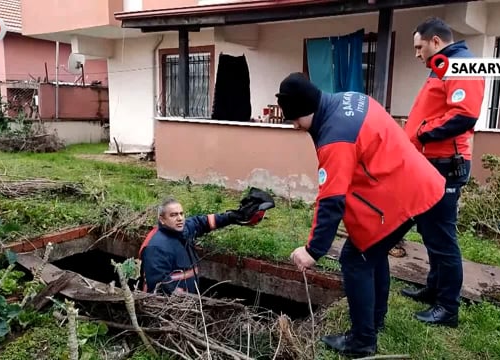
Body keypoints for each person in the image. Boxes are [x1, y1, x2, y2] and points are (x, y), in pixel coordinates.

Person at [278, 72, 446, 357]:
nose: (295, 126)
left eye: (294, 119)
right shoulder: (350, 99)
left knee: (354, 260)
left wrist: (313, 250)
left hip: (402, 196)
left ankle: (362, 340)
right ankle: (374, 320)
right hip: (409, 183)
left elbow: (331, 200)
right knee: (371, 253)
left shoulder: (335, 138)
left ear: (306, 109)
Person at [401, 17, 485, 327]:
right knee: (430, 230)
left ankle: (448, 307)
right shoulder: (443, 65)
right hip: (431, 164)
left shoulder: (462, 65)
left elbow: (464, 116)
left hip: (446, 166)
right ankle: (435, 288)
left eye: (418, 47)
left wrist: (421, 133)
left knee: (442, 237)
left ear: (435, 42)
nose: (416, 54)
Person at [138, 188, 275, 295]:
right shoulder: (156, 246)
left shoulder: (182, 229)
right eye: (173, 215)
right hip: (167, 310)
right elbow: (159, 285)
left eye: (181, 214)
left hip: (187, 302)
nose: (180, 218)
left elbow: (203, 222)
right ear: (162, 219)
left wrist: (232, 216)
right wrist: (184, 302)